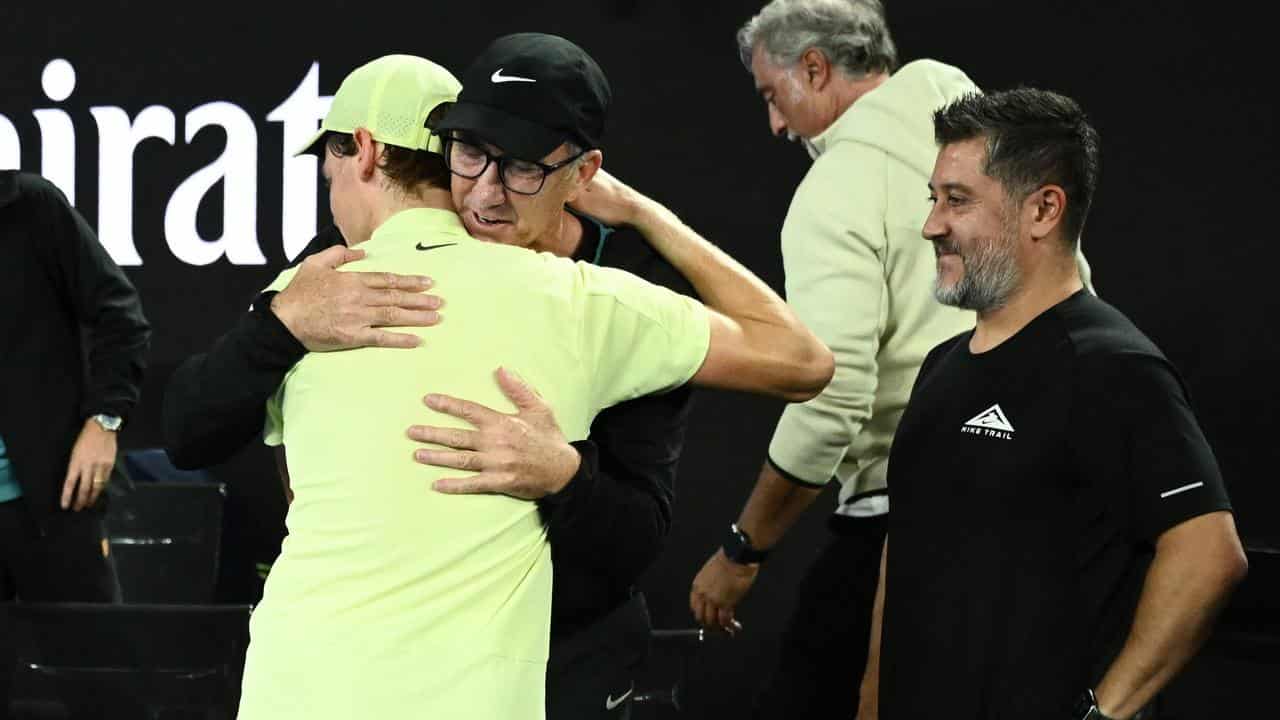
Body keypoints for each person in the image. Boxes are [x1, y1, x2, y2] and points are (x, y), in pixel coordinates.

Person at [162, 33, 772, 719]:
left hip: (565, 653)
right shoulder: (331, 274)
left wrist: (564, 474)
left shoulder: (609, 293)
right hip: (384, 668)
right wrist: (278, 328)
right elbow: (207, 433)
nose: (485, 193)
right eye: (470, 157)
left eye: (515, 167)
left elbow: (636, 535)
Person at [687, 2, 1050, 716]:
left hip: (909, 513)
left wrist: (741, 550)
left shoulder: (836, 190)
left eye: (773, 96)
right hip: (1042, 506)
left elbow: (830, 395)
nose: (777, 126)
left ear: (816, 68)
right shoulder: (994, 145)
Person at [855, 87, 1247, 720]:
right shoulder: (939, 368)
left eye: (957, 200)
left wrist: (1105, 713)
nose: (931, 224)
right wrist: (871, 699)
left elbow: (1209, 554)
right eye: (934, 199)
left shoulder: (1114, 367)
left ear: (1042, 210)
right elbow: (905, 550)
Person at [0, 170, 150, 707]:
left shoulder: (29, 207)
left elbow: (121, 318)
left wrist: (105, 420)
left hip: (51, 500)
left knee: (104, 688)